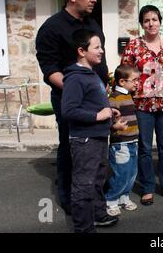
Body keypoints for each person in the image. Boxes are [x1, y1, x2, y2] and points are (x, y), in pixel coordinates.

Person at [35, 0, 108, 215]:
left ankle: (93, 194)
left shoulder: (92, 23)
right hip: (71, 100)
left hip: (98, 97)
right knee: (71, 146)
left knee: (96, 147)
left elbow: (99, 58)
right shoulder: (52, 27)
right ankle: (68, 197)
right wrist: (81, 92)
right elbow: (50, 69)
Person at [121, 5, 163, 205]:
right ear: (142, 24)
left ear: (160, 22)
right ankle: (148, 188)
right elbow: (124, 75)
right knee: (145, 148)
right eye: (146, 20)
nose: (151, 23)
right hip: (142, 106)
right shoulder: (133, 46)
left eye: (154, 19)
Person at [61, 29, 118, 233]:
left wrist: (109, 112)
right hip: (85, 140)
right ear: (81, 51)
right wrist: (97, 116)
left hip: (98, 137)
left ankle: (98, 215)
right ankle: (83, 228)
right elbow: (68, 110)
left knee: (98, 179)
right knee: (84, 185)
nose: (101, 51)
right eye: (97, 47)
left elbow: (91, 104)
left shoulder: (90, 73)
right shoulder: (75, 77)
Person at [105, 65, 141, 216]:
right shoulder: (114, 98)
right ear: (122, 81)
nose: (136, 83)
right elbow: (108, 120)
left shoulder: (128, 95)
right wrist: (114, 126)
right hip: (120, 144)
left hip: (133, 141)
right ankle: (111, 200)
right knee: (120, 173)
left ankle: (124, 197)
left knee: (131, 173)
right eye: (134, 80)